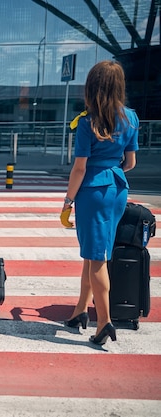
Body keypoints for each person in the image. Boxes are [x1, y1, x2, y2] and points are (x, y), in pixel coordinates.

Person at [61, 60, 138, 345]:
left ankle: (103, 321)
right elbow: (130, 163)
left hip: (92, 191)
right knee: (93, 253)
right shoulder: (131, 118)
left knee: (97, 259)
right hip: (117, 188)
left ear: (92, 88)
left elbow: (79, 168)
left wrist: (68, 201)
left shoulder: (87, 123)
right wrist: (111, 168)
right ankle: (80, 311)